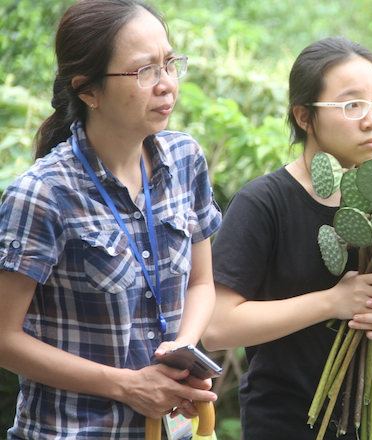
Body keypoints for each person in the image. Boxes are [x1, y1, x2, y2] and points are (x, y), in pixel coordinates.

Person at [0, 0, 222, 438]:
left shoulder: (185, 159)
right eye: (145, 72)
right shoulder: (43, 193)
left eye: (170, 64)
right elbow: (3, 337)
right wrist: (127, 386)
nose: (167, 85)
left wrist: (183, 347)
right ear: (88, 90)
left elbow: (201, 282)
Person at [201, 37, 372, 440]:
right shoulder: (263, 203)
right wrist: (331, 302)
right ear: (304, 116)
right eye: (351, 105)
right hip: (289, 422)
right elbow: (218, 327)